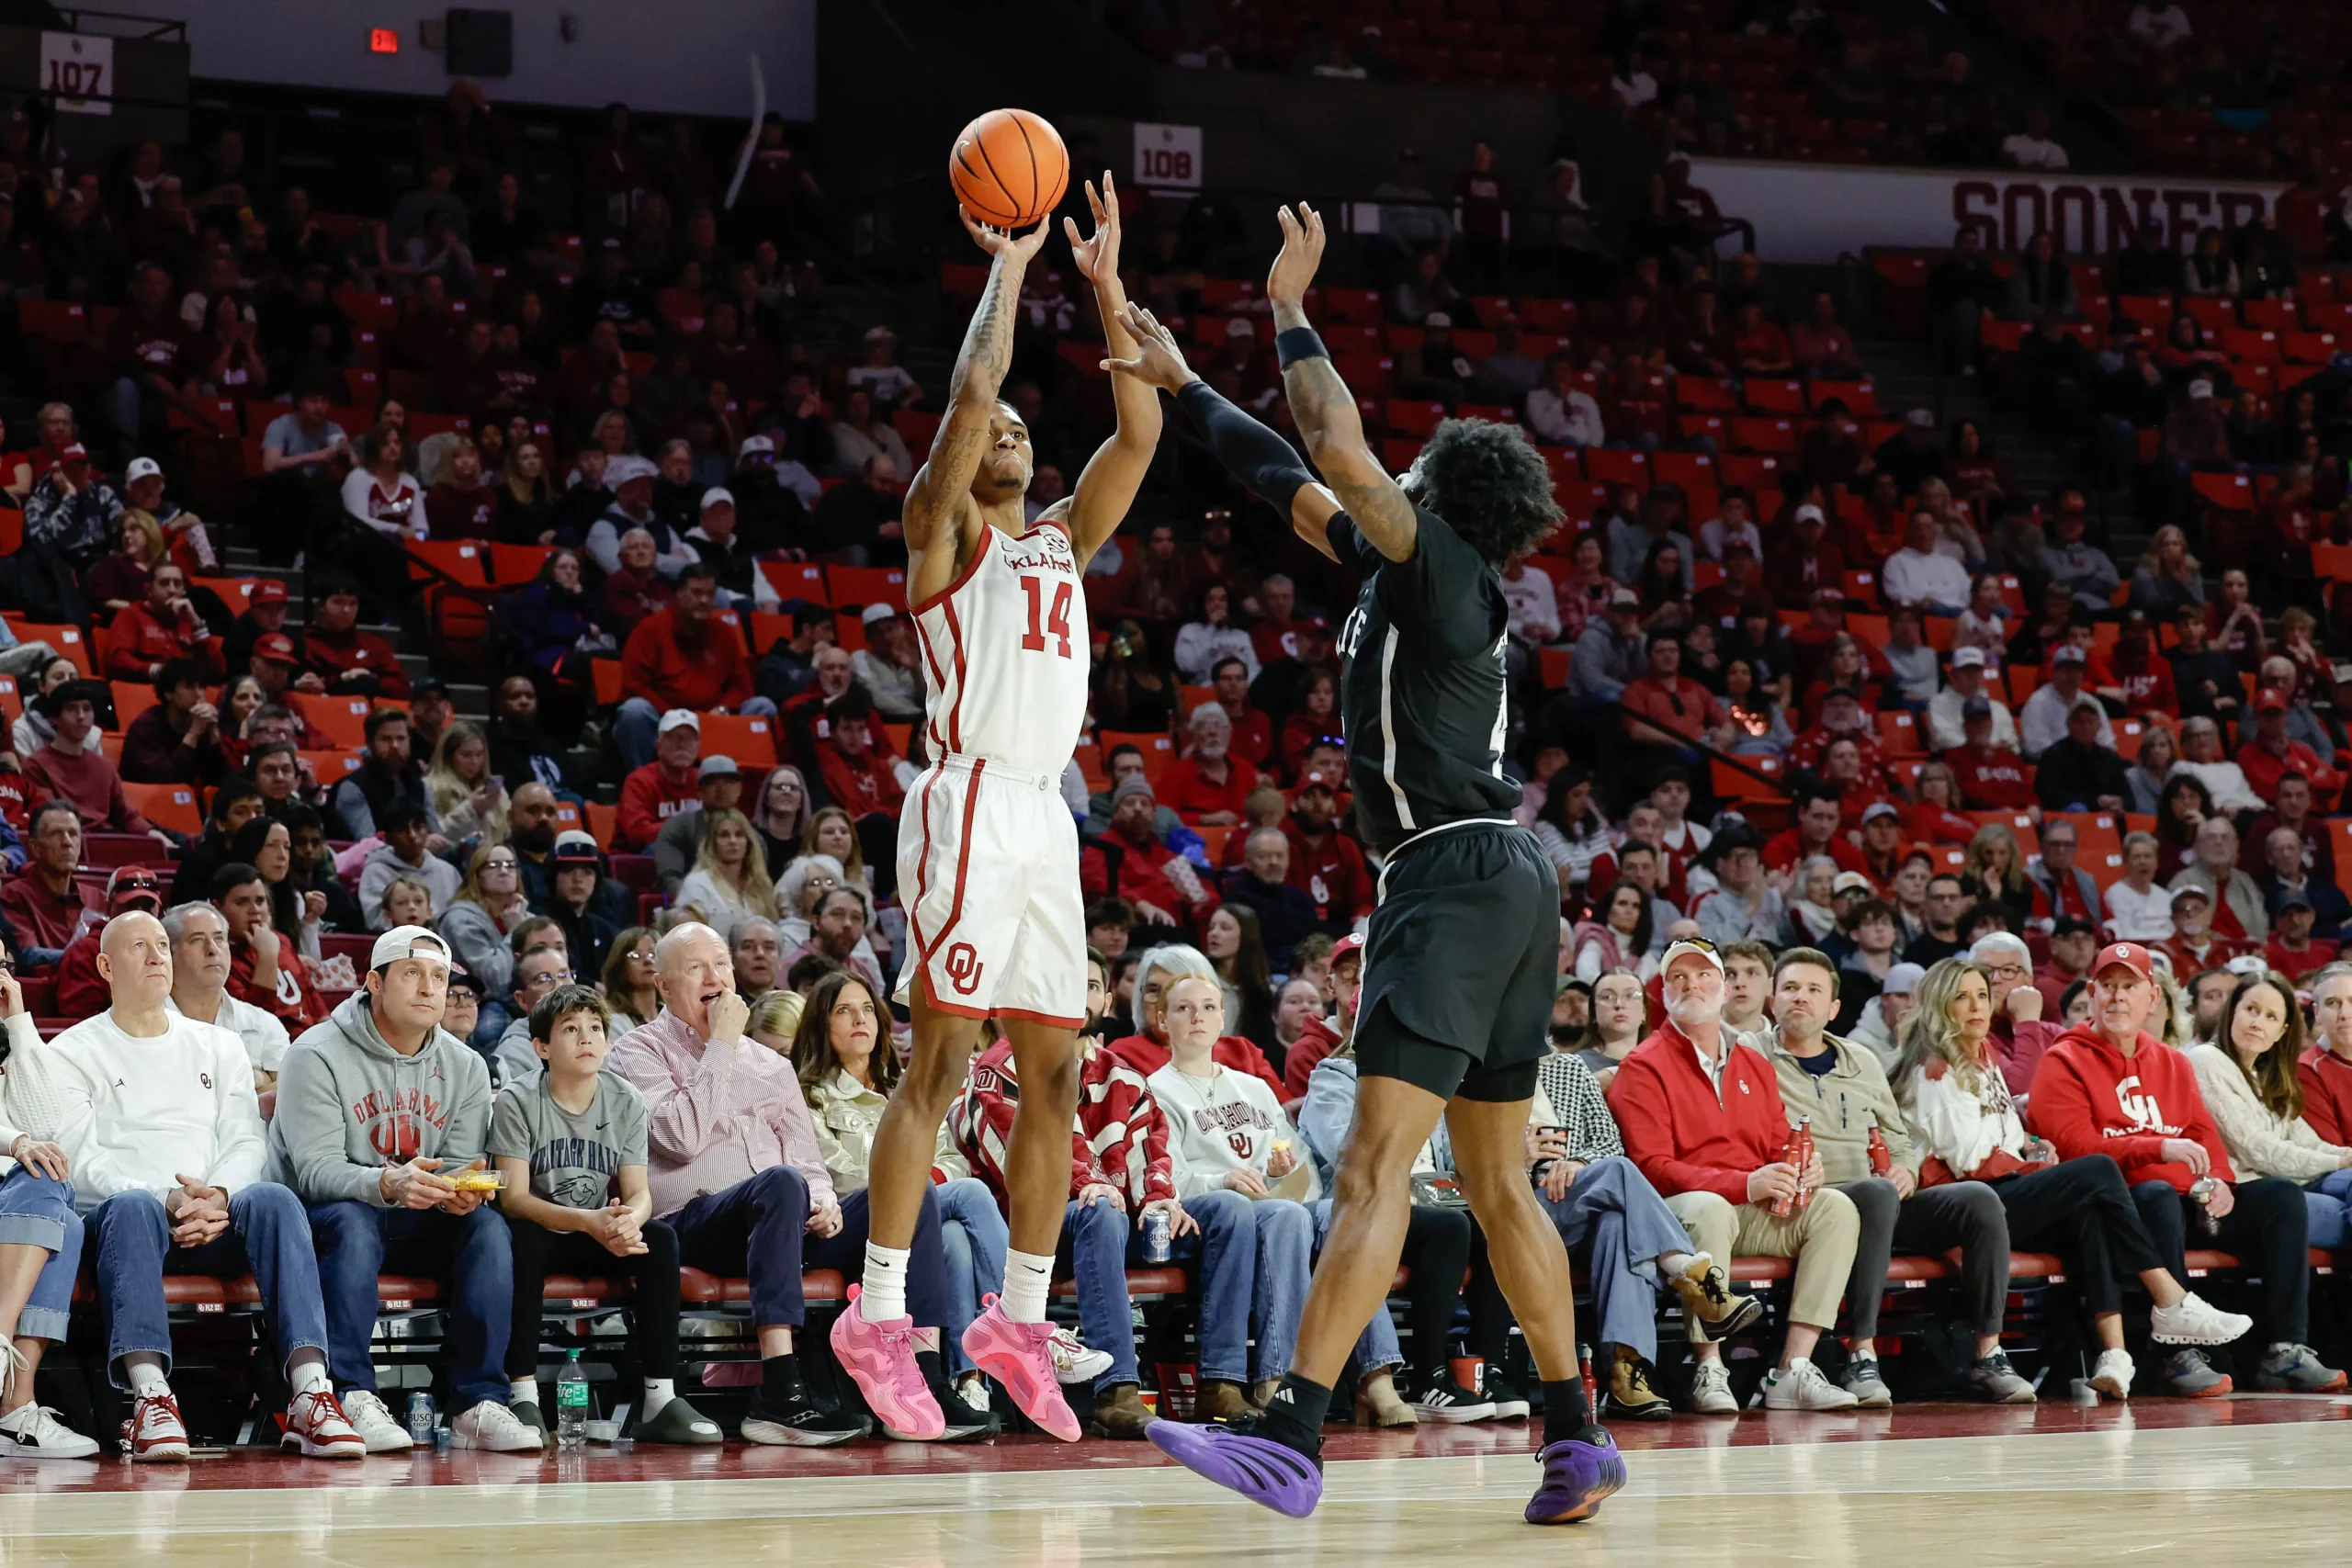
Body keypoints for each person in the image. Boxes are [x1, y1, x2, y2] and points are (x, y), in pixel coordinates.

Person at [1104, 211, 1619, 1528]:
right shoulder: (1405, 570)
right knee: (1496, 1181)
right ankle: (1576, 1436)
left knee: (1373, 1167)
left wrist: (1288, 306)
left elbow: (1333, 437)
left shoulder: (1443, 570)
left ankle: (1292, 1431)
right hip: (1510, 878)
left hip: (1448, 880)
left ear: (1441, 495)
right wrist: (1185, 383)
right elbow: (1288, 468)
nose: (1386, 477)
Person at [610, 922, 971, 1442]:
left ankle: (926, 1376)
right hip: (695, 1225)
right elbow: (680, 1137)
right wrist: (723, 1046)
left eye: (721, 965)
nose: (715, 977)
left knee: (910, 1193)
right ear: (664, 985)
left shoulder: (772, 1065)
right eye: (696, 969)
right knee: (778, 1184)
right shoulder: (637, 1051)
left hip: (783, 1226)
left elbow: (808, 1164)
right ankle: (779, 1390)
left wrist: (823, 1200)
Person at [39, 910, 368, 1461]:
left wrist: (217, 1197)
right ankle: (150, 1400)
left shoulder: (219, 1045)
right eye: (138, 947)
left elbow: (247, 1141)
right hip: (127, 1226)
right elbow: (79, 1158)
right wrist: (164, 1197)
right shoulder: (71, 1051)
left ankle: (311, 1390)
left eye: (162, 947)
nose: (155, 957)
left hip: (215, 1217)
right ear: (104, 966)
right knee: (131, 1204)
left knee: (275, 1198)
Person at [1895, 955, 2255, 1401]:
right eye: (1961, 998)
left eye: (1983, 996)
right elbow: (1972, 1160)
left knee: (2092, 1209)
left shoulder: (1980, 1055)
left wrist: (2029, 1147)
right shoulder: (1936, 1069)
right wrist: (2029, 1162)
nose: (1976, 1007)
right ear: (1938, 1005)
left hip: (2000, 1188)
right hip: (1962, 1205)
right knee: (2098, 1171)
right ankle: (2170, 1298)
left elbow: (2004, 1138)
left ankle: (2115, 1356)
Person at [271, 926, 537, 1450]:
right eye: (412, 974)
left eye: (439, 977)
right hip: (325, 1216)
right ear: (374, 982)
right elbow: (314, 1171)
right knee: (353, 1219)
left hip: (417, 1209)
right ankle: (351, 1394)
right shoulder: (316, 1053)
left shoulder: (466, 1065)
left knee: (486, 1227)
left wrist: (465, 1189)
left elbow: (462, 1164)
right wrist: (387, 1183)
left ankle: (476, 1402)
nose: (428, 988)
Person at [2028, 942, 2333, 1395]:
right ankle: (2175, 1356)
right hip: (2127, 1212)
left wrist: (2222, 1183)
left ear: (2152, 998)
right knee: (2155, 1195)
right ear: (2090, 994)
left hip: (2191, 1203)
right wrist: (2159, 1148)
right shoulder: (2062, 1059)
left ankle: (2286, 1349)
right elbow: (2078, 1149)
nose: (2117, 997)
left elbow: (2203, 1132)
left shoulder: (2171, 1060)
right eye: (2107, 986)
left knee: (2281, 1196)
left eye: (2130, 987)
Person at [1760, 947, 2032, 1404]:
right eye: (1790, 989)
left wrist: (1906, 1167)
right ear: (1773, 1002)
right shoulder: (1753, 1056)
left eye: (1813, 990)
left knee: (1979, 1199)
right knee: (1876, 1192)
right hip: (1810, 1204)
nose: (1800, 999)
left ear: (1834, 1008)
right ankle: (1861, 1356)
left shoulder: (1862, 1060)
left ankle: (1988, 1353)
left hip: (1885, 1198)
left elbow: (1898, 1135)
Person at [1608, 939, 1863, 1414]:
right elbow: (1650, 1171)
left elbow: (1775, 1143)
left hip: (1750, 1207)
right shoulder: (1643, 1066)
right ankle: (1710, 1365)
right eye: (1679, 977)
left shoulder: (1754, 1063)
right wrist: (1745, 1184)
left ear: (1726, 990)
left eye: (1705, 975)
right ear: (1663, 993)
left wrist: (1803, 1166)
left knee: (1836, 1206)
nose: (1693, 985)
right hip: (1678, 1212)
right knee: (1710, 1207)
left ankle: (1794, 1369)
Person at [489, 983, 723, 1444]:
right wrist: (590, 1223)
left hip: (598, 1229)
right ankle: (522, 1394)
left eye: (595, 1028)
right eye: (571, 1029)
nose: (586, 1038)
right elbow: (513, 1198)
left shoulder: (625, 1099)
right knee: (522, 1240)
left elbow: (640, 1193)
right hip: (540, 1229)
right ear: (541, 1047)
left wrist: (626, 1224)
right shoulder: (516, 1100)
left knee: (660, 1240)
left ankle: (659, 1398)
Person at [1529, 1045, 1759, 1420]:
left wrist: (1580, 1162)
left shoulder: (1568, 1068)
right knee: (1619, 1172)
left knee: (1617, 1226)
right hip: (1521, 1209)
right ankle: (1688, 1272)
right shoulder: (1472, 1075)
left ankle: (1627, 1376)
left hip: (1583, 1198)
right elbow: (1454, 1161)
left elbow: (1609, 1141)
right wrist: (1518, 1158)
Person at [1144, 975, 1317, 1416]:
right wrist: (1223, 1180)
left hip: (1267, 1211)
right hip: (1198, 1216)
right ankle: (1246, 1378)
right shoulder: (1153, 1090)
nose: (1197, 1016)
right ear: (1163, 1020)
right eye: (1183, 1008)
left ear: (1224, 1017)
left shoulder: (1255, 1089)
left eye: (1208, 1006)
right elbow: (1165, 1177)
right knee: (1247, 1207)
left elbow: (1302, 1177)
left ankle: (1277, 1379)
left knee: (1296, 1216)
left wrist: (1282, 1174)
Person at [0, 942, 101, 1458]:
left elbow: (43, 1124)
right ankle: (14, 1404)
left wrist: (18, 1024)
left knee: (62, 1207)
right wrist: (14, 1142)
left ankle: (13, 1406)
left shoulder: (10, 1038)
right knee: (57, 1202)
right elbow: (24, 1137)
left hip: (14, 1193)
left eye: (3, 966)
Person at [2190, 971, 2352, 1265]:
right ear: (2233, 1012)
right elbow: (2257, 1149)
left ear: (2281, 1032)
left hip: (2288, 1181)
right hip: (2251, 1194)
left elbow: (2306, 1141)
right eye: (2251, 1010)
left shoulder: (2264, 1074)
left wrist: (2347, 1157)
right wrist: (2340, 1161)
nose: (2257, 1023)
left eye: (2270, 1017)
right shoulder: (2206, 1061)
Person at [611, 562, 777, 773]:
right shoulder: (649, 629)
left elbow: (742, 687)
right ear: (678, 594)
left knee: (763, 706)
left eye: (710, 594)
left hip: (714, 718)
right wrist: (674, 717)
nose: (704, 600)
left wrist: (723, 709)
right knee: (633, 711)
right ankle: (641, 780)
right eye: (696, 593)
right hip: (665, 719)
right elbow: (634, 686)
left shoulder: (724, 632)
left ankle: (747, 783)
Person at [23, 682, 170, 851]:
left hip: (109, 840)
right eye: (72, 709)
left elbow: (127, 816)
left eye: (87, 709)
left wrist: (158, 839)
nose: (81, 716)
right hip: (70, 843)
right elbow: (52, 819)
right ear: (54, 718)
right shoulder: (36, 765)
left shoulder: (103, 766)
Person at [162, 900, 290, 1089]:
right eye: (197, 939)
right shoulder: (142, 1024)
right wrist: (257, 1078)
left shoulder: (263, 1023)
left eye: (219, 938)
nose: (212, 949)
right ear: (168, 953)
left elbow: (288, 1094)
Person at [1, 803, 102, 967]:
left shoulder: (97, 898)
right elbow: (28, 955)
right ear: (35, 847)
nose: (67, 842)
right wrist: (89, 956)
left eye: (73, 834)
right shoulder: (14, 895)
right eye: (56, 834)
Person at [676, 807, 784, 931]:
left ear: (748, 842)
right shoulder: (697, 884)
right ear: (712, 843)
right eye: (724, 835)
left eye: (739, 835)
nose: (733, 841)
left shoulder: (759, 885)